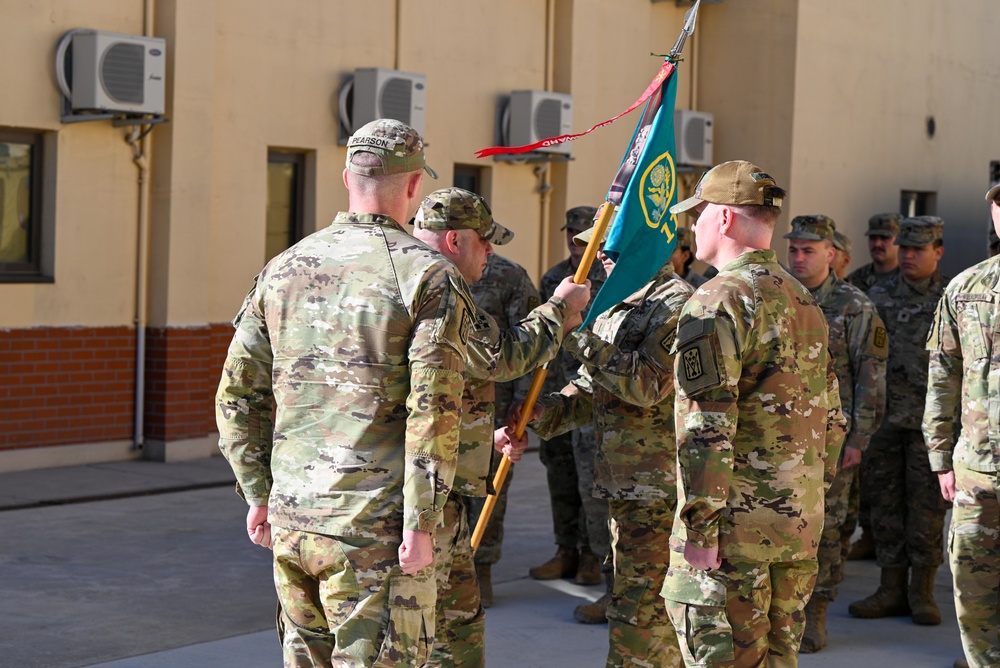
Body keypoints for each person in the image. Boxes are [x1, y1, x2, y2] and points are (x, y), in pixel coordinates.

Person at [216, 118, 469, 667]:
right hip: (374, 532)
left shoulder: (283, 267)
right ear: (412, 186)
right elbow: (434, 410)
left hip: (294, 521)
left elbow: (237, 394)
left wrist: (258, 491)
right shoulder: (425, 276)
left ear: (346, 177)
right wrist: (422, 523)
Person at [659, 160, 846, 667]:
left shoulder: (718, 300)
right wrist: (808, 500)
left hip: (732, 535)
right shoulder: (802, 298)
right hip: (794, 526)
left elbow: (706, 424)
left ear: (722, 219)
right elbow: (832, 415)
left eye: (697, 213)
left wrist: (698, 526)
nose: (690, 225)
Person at [410, 187, 590, 667]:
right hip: (415, 492)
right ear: (454, 240)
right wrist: (560, 311)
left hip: (462, 430)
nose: (491, 251)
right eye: (484, 240)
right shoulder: (436, 286)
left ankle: (479, 564)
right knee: (435, 631)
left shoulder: (377, 274)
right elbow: (505, 352)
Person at [519, 224, 693, 666]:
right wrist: (543, 414)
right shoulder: (619, 302)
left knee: (647, 614)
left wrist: (575, 335)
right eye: (598, 249)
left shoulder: (678, 304)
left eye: (610, 248)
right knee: (630, 606)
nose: (601, 257)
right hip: (623, 483)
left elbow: (647, 386)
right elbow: (593, 387)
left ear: (646, 242)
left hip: (660, 488)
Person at [784, 215, 888, 653]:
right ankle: (784, 611)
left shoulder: (855, 305)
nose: (800, 257)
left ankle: (816, 612)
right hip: (780, 437)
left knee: (826, 529)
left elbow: (872, 374)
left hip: (832, 440)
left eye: (809, 250)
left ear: (831, 253)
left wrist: (859, 439)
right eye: (794, 249)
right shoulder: (779, 296)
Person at [849, 216, 949, 626]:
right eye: (904, 248)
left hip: (931, 425)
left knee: (926, 512)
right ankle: (890, 588)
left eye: (918, 249)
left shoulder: (950, 296)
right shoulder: (877, 295)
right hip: (885, 421)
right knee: (886, 508)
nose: (907, 255)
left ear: (937, 252)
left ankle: (922, 593)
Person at [923, 185, 1000, 668]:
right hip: (975, 471)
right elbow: (943, 372)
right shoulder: (966, 288)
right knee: (973, 588)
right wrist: (939, 453)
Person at [531, 206, 609, 591]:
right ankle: (566, 550)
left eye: (582, 235)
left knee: (590, 486)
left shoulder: (610, 278)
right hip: (555, 391)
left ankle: (594, 556)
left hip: (588, 395)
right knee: (559, 478)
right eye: (571, 233)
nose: (574, 241)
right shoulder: (554, 278)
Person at [464, 252, 541, 608]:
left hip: (492, 406)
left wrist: (524, 402)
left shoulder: (509, 276)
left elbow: (527, 343)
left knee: (487, 489)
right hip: (438, 405)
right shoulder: (423, 268)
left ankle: (480, 568)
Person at [846, 211, 904, 560]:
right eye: (874, 237)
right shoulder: (860, 282)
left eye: (887, 238)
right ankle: (868, 534)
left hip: (904, 394)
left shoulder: (907, 279)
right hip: (867, 392)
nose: (879, 243)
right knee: (869, 476)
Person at [847, 212, 903, 291]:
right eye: (872, 238)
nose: (877, 244)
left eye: (884, 238)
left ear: (899, 240)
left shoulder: (908, 279)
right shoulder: (855, 279)